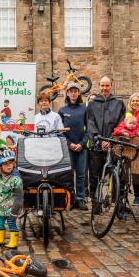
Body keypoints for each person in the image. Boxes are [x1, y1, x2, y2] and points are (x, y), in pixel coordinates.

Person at [87, 76, 125, 206]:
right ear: (99, 86)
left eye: (107, 85)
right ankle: (95, 201)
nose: (104, 88)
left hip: (113, 145)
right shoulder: (92, 104)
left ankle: (117, 202)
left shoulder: (119, 103)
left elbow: (121, 123)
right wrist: (100, 139)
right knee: (95, 175)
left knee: (116, 174)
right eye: (102, 85)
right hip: (97, 145)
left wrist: (111, 140)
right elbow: (90, 123)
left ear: (111, 86)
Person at [58, 82, 88, 210]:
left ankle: (80, 199)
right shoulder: (62, 110)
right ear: (68, 93)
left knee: (81, 174)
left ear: (79, 93)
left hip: (81, 147)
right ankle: (70, 198)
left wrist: (82, 144)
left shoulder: (84, 109)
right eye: (71, 91)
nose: (73, 93)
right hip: (68, 147)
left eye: (76, 91)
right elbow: (60, 131)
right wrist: (69, 144)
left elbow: (90, 129)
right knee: (69, 174)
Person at [0, 149, 23, 249]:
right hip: (0, 208)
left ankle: (13, 241)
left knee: (11, 223)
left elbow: (19, 197)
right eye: (5, 163)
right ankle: (1, 238)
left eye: (11, 162)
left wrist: (15, 211)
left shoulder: (16, 180)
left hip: (11, 209)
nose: (9, 165)